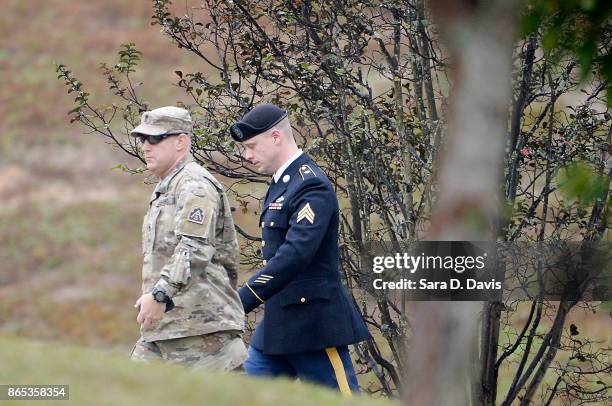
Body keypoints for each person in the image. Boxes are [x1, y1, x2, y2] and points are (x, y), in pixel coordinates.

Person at [229, 104, 371, 396]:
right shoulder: (283, 183)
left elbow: (295, 254)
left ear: (276, 137)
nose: (247, 155)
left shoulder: (310, 185)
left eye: (252, 146)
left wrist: (242, 298)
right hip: (278, 325)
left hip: (314, 324)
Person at [129, 106, 247, 370]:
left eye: (155, 139)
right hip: (167, 329)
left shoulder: (194, 185)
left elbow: (195, 247)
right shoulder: (169, 186)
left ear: (181, 141)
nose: (146, 146)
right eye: (143, 139)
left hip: (203, 335)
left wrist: (160, 294)